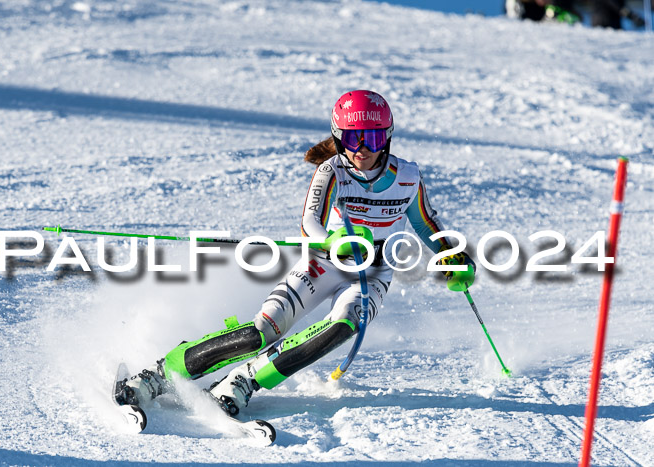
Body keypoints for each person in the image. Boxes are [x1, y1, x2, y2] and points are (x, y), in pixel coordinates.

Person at [115, 90, 476, 416]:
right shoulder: (331, 171)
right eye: (352, 138)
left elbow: (428, 224)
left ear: (388, 137)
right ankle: (159, 374)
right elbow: (310, 225)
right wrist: (334, 243)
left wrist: (453, 257)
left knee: (344, 326)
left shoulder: (407, 177)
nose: (362, 148)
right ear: (339, 139)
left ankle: (244, 381)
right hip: (323, 263)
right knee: (260, 333)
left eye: (374, 137)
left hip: (374, 273)